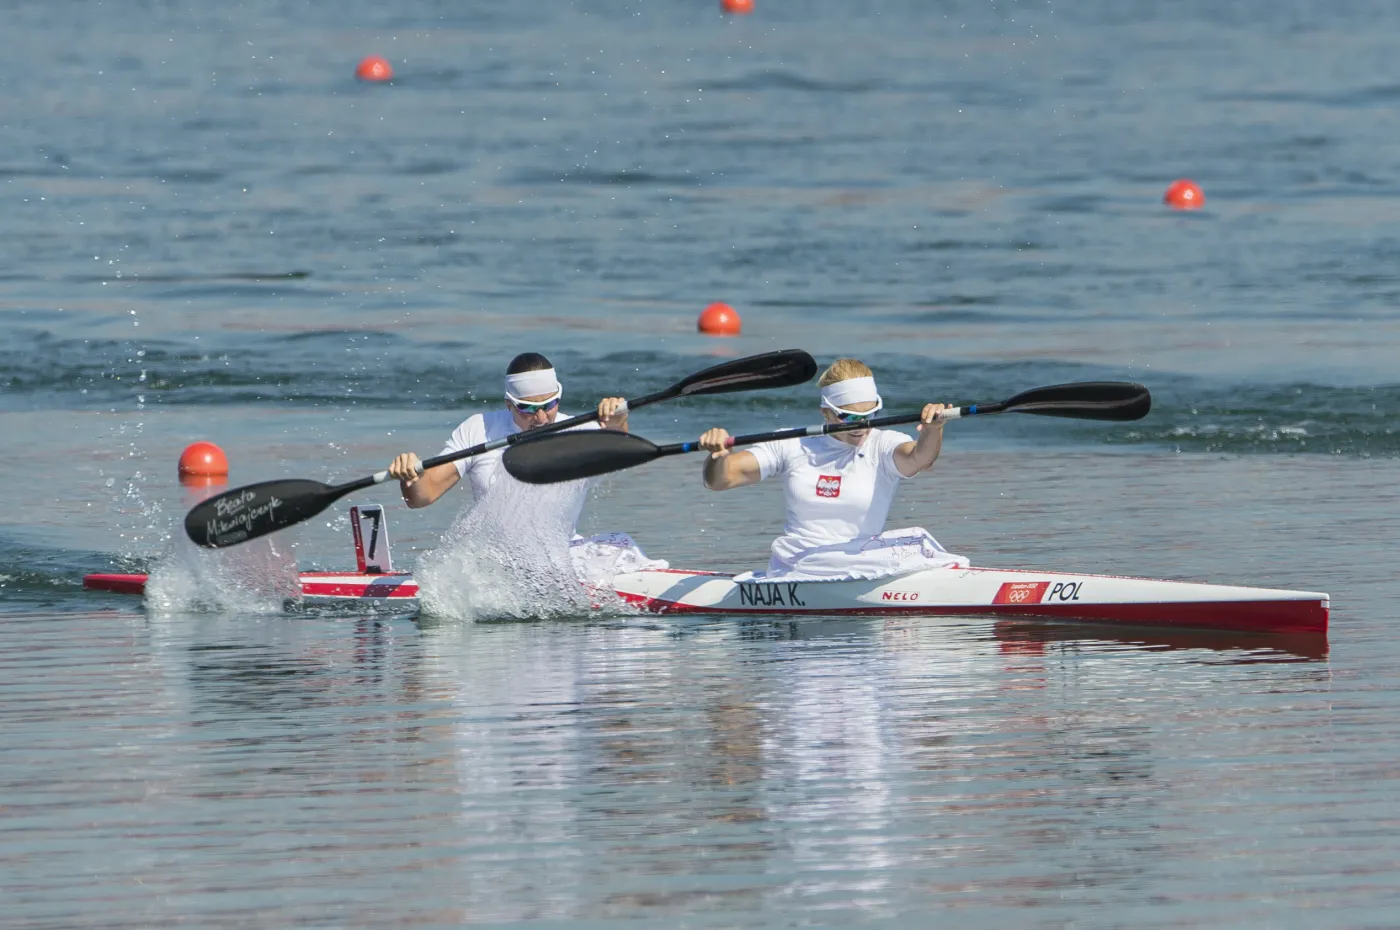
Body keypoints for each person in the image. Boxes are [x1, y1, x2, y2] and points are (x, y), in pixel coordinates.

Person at [387, 352, 664, 582]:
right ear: (509, 404)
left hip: (562, 558)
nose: (542, 417)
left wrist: (617, 425)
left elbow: (620, 451)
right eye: (528, 409)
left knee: (620, 548)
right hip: (492, 566)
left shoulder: (582, 430)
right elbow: (422, 496)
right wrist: (410, 477)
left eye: (550, 404)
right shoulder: (479, 430)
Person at [696, 358, 967, 581]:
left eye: (869, 414)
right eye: (848, 416)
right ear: (826, 412)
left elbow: (920, 458)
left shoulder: (883, 444)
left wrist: (933, 430)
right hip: (798, 567)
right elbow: (720, 480)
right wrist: (719, 456)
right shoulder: (792, 445)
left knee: (919, 542)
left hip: (862, 564)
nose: (861, 425)